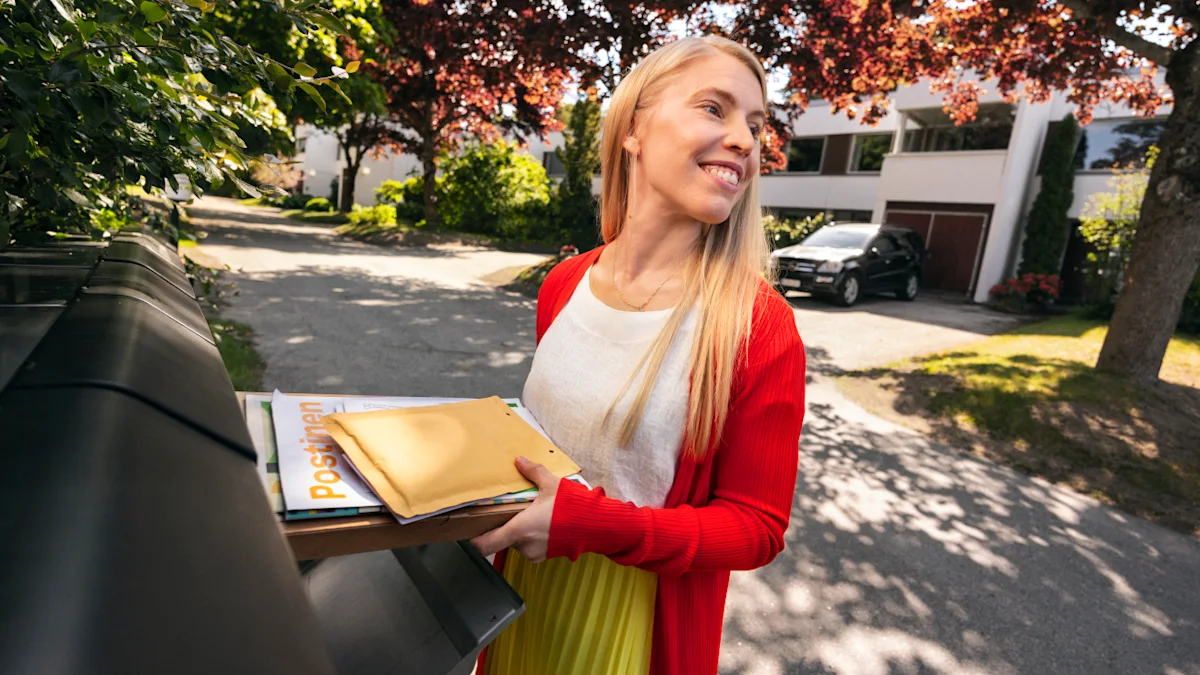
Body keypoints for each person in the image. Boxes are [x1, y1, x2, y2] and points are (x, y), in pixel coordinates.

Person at [471, 35, 807, 675]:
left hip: (630, 623)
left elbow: (758, 528)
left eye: (756, 125)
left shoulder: (759, 326)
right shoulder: (565, 283)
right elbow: (553, 445)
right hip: (519, 592)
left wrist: (588, 525)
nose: (744, 139)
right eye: (715, 108)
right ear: (634, 129)